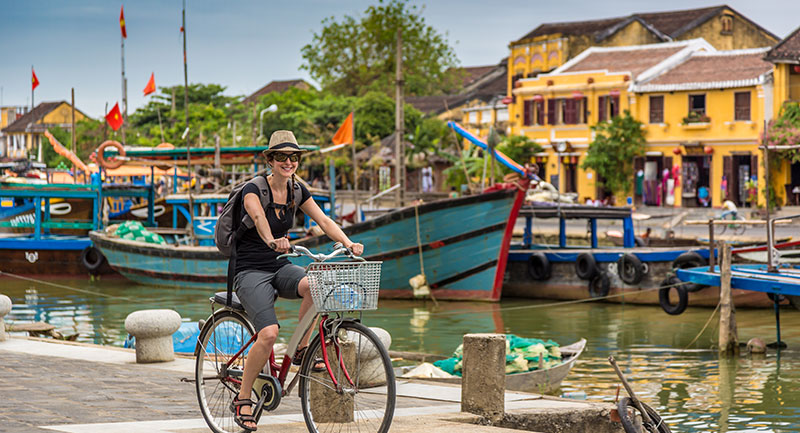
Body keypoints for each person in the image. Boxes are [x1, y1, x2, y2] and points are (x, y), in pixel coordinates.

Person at [231, 130, 364, 431]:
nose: (288, 162)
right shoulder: (254, 189)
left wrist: (348, 243)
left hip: (279, 265)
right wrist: (271, 240)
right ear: (270, 159)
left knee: (317, 284)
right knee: (268, 334)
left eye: (294, 157)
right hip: (250, 270)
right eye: (281, 156)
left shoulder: (296, 189)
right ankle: (242, 398)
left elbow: (324, 220)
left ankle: (303, 349)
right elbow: (260, 219)